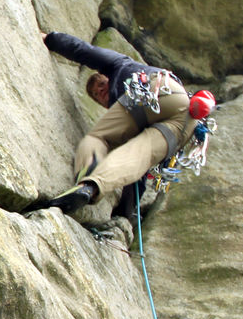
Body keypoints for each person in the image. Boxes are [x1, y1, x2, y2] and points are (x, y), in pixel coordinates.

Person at [37, 31, 215, 214]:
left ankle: (83, 181)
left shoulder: (120, 65)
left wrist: (50, 39)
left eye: (102, 85)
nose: (101, 91)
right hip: (186, 121)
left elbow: (84, 51)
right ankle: (90, 189)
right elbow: (138, 170)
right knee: (139, 156)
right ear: (104, 106)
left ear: (107, 76)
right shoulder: (123, 113)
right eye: (97, 96)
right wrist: (124, 212)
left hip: (153, 90)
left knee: (99, 137)